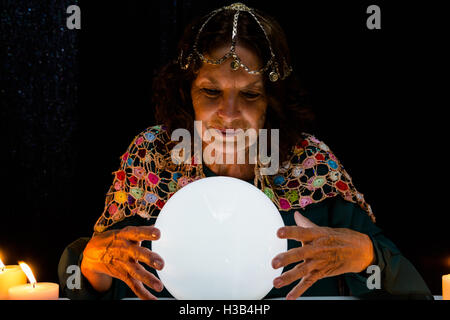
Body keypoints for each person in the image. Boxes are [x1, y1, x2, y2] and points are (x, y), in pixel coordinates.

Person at [58, 3, 432, 300]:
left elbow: (409, 290)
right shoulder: (153, 157)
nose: (230, 114)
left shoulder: (309, 164)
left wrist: (367, 254)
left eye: (250, 95)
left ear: (272, 101)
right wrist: (92, 266)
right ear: (186, 94)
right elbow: (88, 284)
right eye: (211, 92)